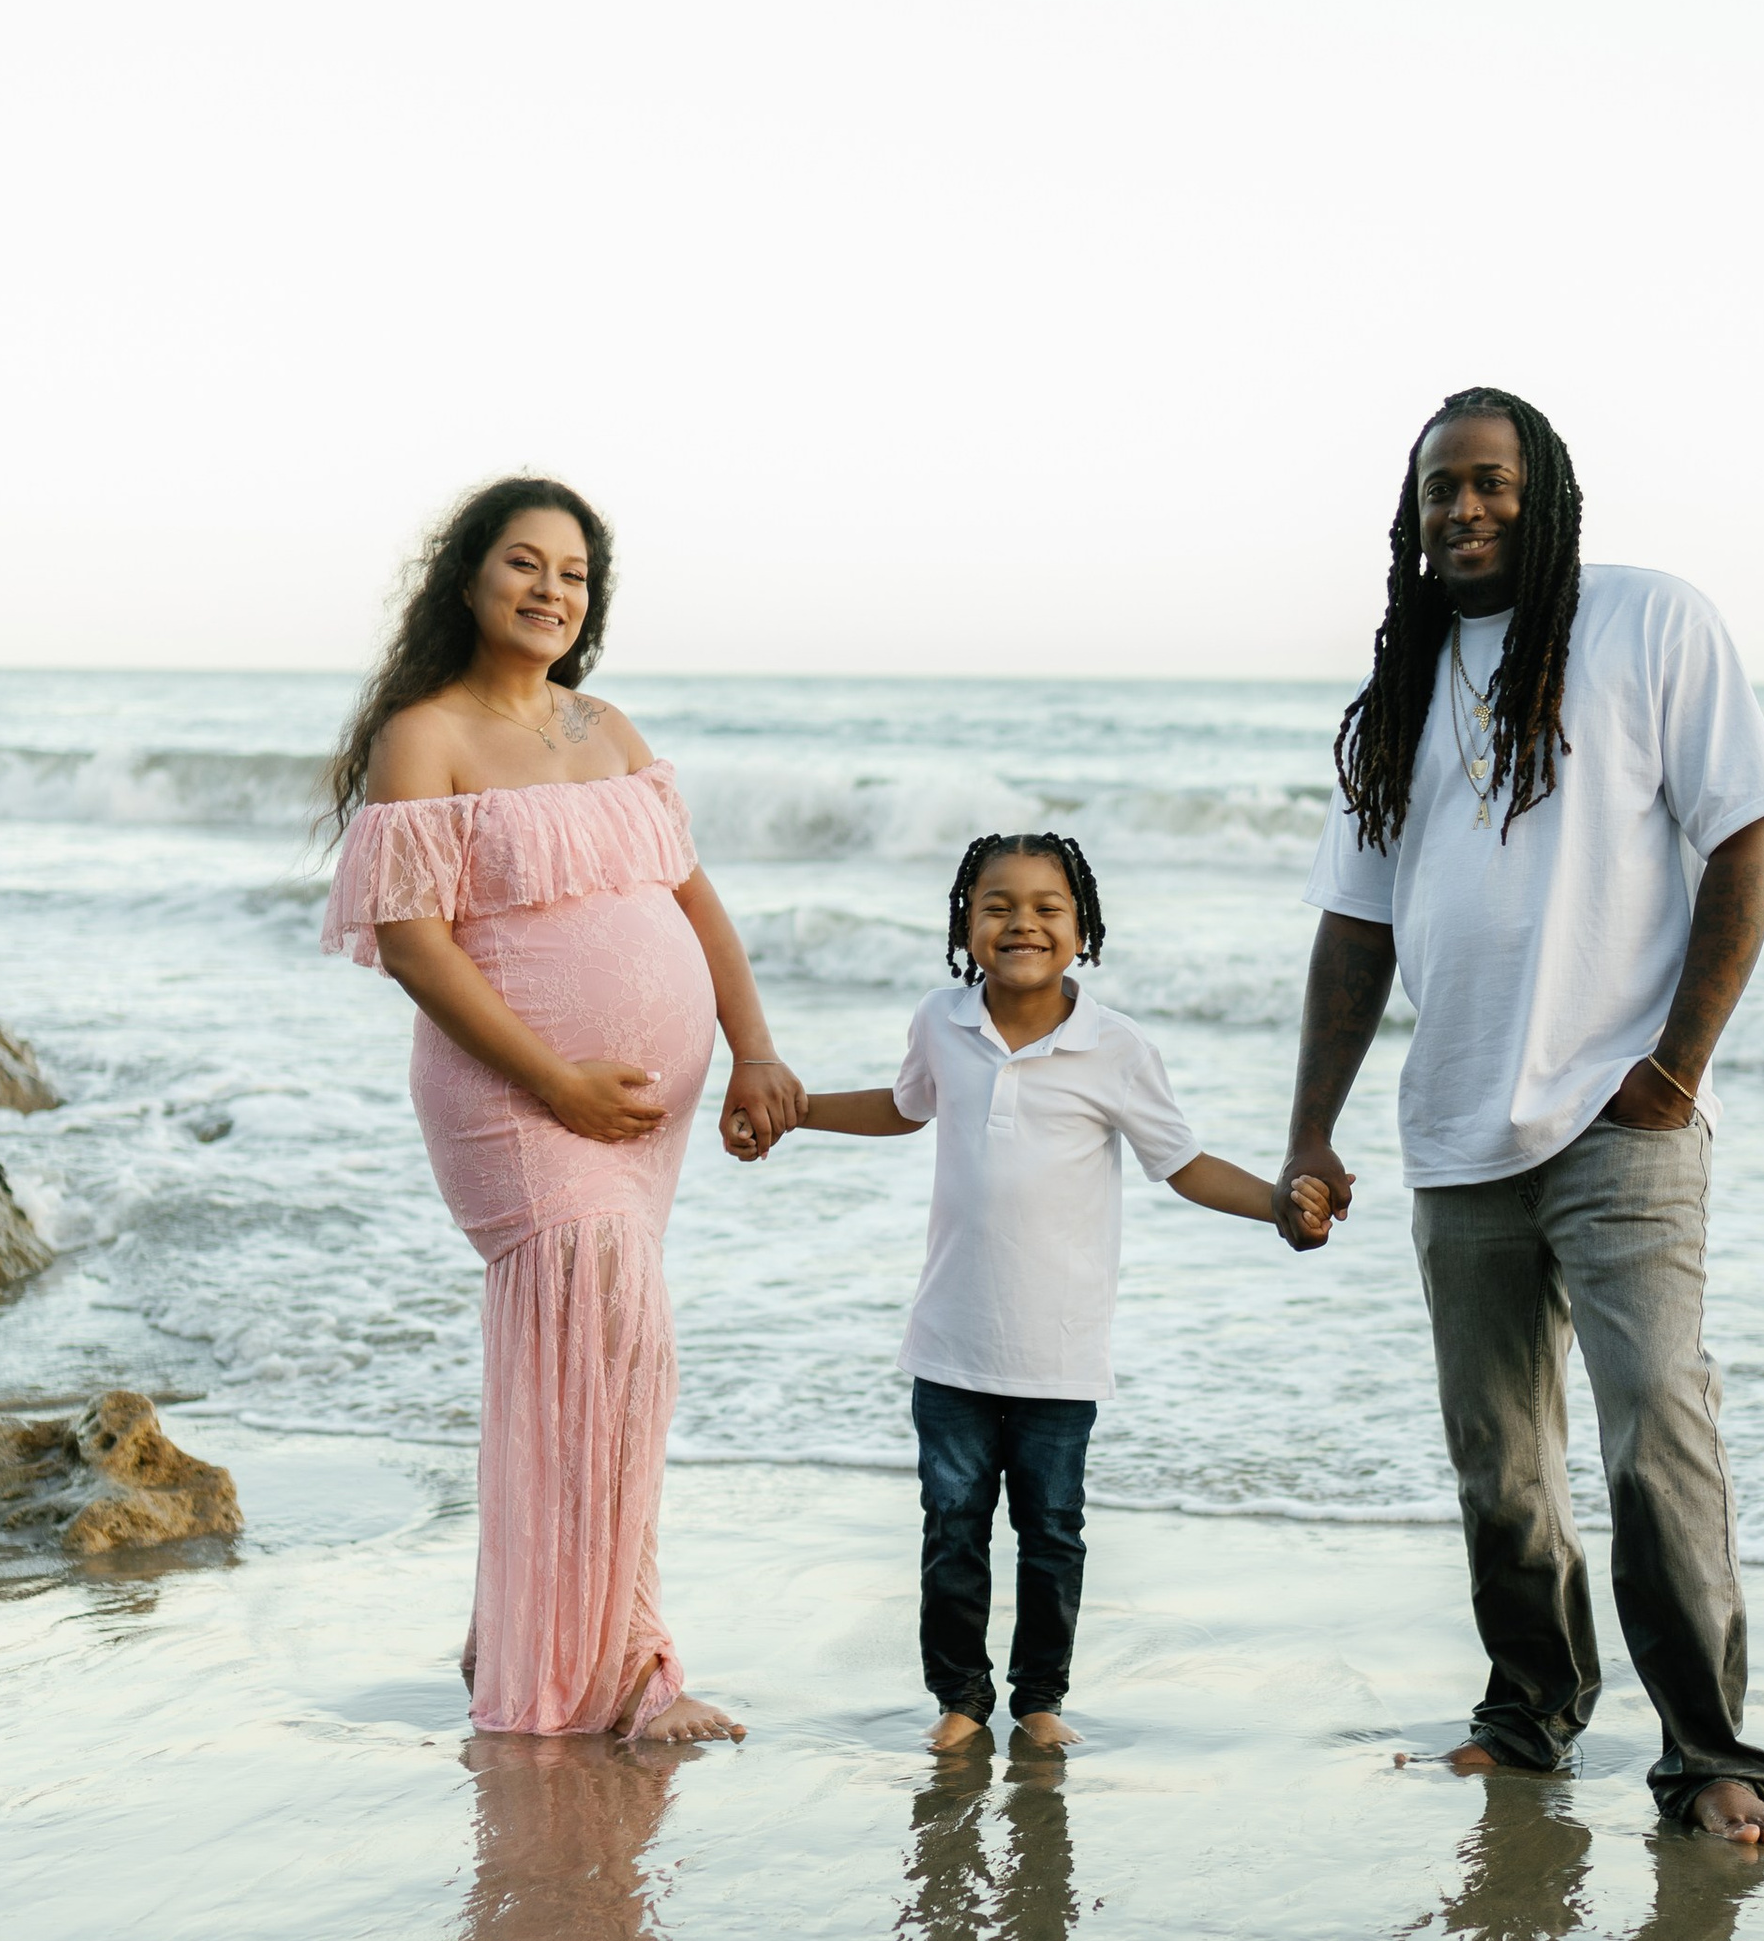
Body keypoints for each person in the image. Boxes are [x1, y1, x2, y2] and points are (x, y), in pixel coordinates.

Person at [1277, 389, 1764, 1846]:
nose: (1467, 511)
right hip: (1455, 1132)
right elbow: (1353, 930)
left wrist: (1678, 1067)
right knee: (1499, 1464)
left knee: (1655, 1440)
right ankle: (1528, 1719)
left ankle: (1711, 1759)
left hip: (1625, 1122)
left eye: (1494, 483)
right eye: (1441, 489)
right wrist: (1312, 1132)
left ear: (1549, 491)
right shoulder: (1398, 693)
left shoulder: (1647, 623)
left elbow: (1749, 831)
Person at [322, 475, 804, 1740]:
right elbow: (417, 946)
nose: (550, 590)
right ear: (468, 581)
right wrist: (557, 1077)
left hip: (639, 1125)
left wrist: (751, 1050)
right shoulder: (424, 735)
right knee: (612, 1360)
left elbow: (695, 905)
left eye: (574, 573)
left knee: (599, 1374)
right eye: (524, 564)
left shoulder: (609, 727)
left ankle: (546, 1641)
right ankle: (609, 1676)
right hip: (518, 1103)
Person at [747, 831, 1327, 1752]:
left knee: (1053, 1533)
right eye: (998, 905)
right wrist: (795, 1112)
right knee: (952, 1528)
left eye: (1048, 908)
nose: (1023, 922)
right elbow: (905, 1108)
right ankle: (960, 1702)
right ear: (964, 925)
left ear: (1084, 928)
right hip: (950, 1343)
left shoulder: (1117, 1047)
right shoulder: (941, 1021)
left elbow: (1180, 1164)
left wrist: (1277, 1208)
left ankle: (1040, 1700)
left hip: (1059, 1349)